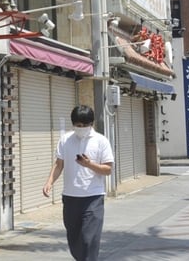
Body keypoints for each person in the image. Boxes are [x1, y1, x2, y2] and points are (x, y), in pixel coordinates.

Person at [42, 105, 115, 261]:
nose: (81, 128)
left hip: (93, 197)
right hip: (70, 197)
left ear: (91, 124)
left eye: (84, 125)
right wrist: (49, 182)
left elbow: (108, 169)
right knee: (74, 239)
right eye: (77, 125)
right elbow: (59, 164)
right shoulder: (65, 139)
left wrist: (89, 164)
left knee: (89, 240)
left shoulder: (101, 141)